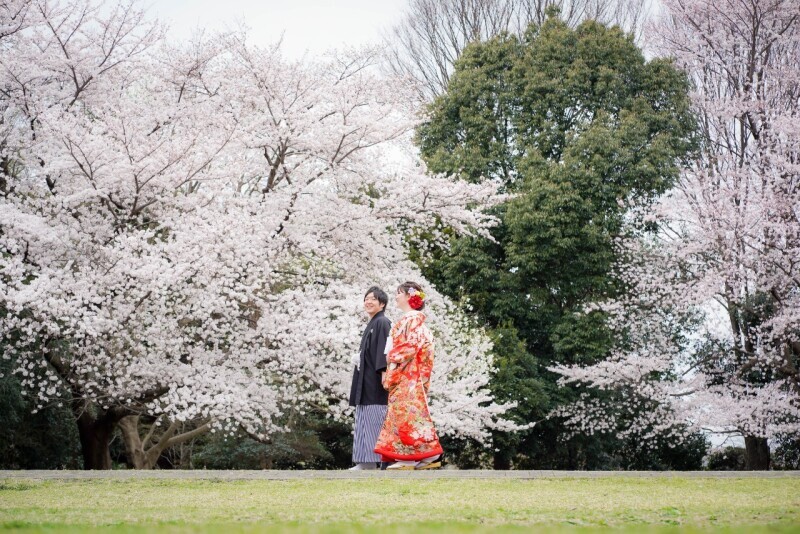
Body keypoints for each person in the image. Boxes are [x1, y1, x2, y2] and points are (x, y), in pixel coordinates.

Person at [374, 281, 443, 470]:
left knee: (406, 415)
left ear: (408, 297)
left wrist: (391, 358)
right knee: (415, 415)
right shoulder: (414, 320)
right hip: (413, 375)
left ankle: (408, 458)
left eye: (399, 293)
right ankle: (429, 454)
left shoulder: (411, 319)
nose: (395, 296)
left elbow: (411, 345)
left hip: (408, 375)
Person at [348, 286, 392, 470]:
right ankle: (364, 461)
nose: (368, 301)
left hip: (375, 381)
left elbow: (384, 350)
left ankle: (372, 460)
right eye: (366, 298)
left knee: (374, 418)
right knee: (364, 417)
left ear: (382, 303)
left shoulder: (382, 322)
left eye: (373, 299)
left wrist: (384, 372)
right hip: (365, 380)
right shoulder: (372, 323)